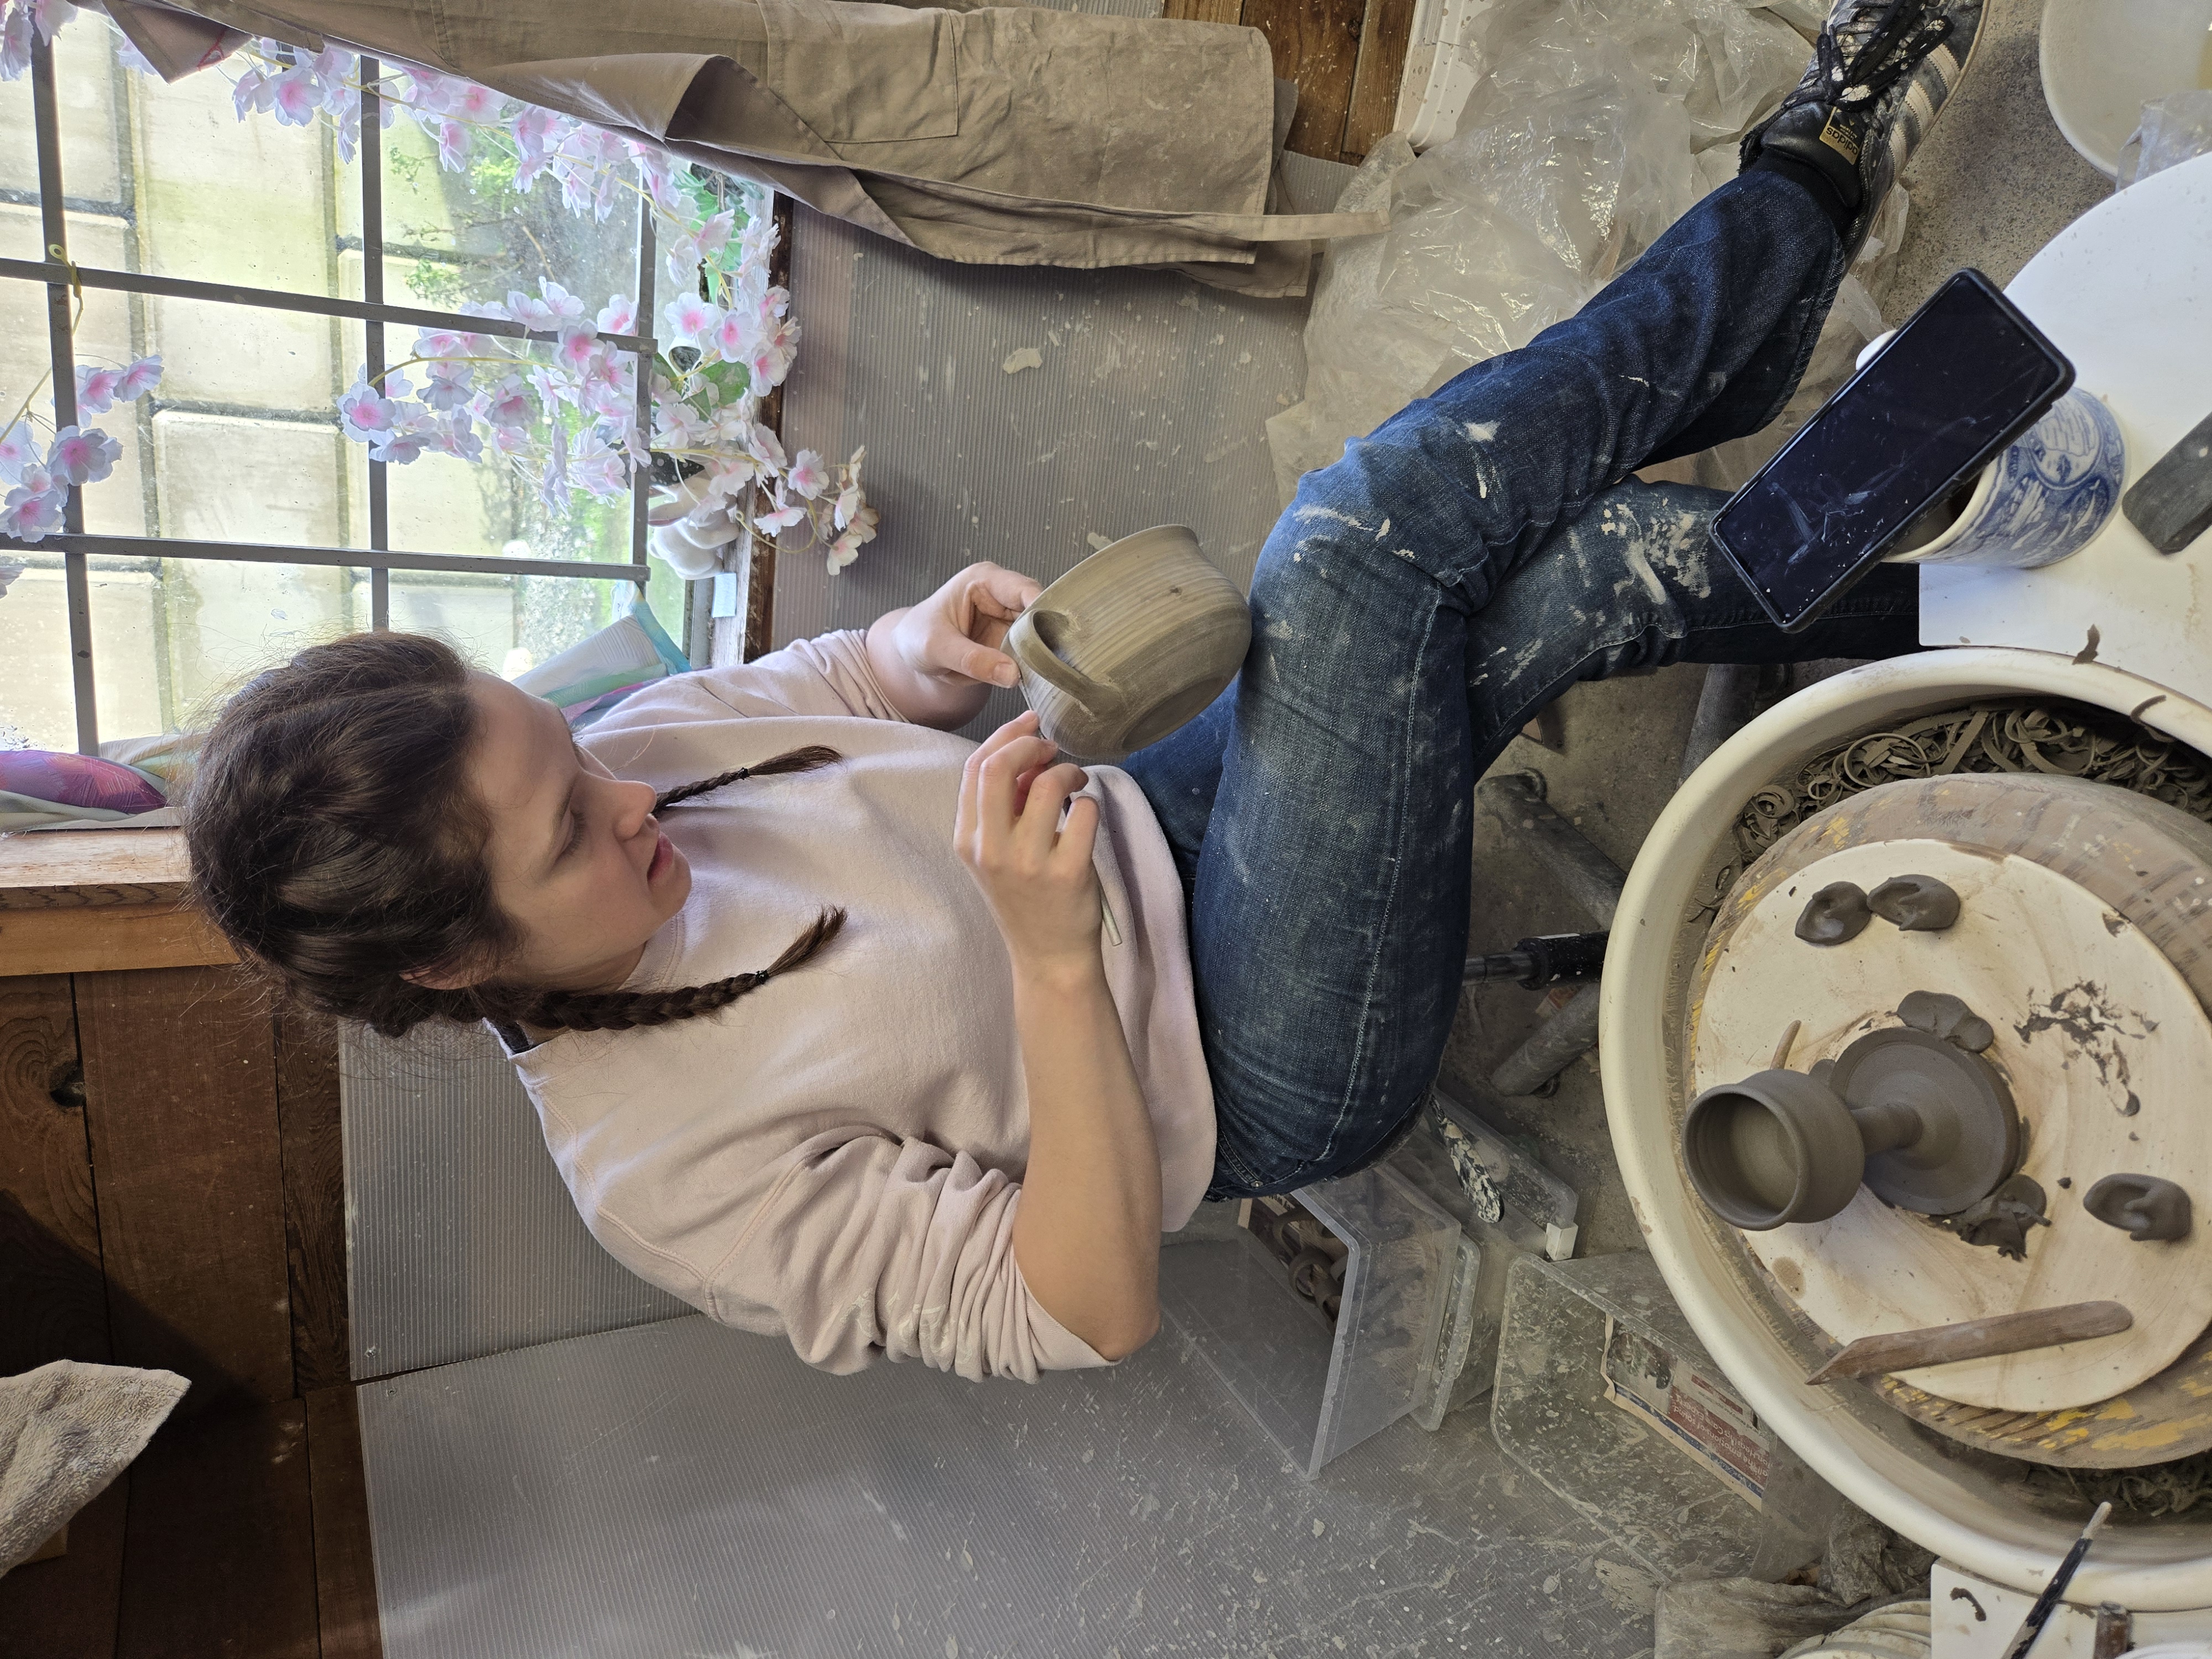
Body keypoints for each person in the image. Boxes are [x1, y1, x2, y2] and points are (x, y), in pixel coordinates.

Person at [184, 0, 1981, 1380]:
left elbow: (811, 687)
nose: (634, 794)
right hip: (1244, 1058)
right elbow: (1086, 1302)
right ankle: (1810, 183)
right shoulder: (669, 1183)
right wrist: (1051, 966)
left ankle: (1939, 581)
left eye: (576, 750)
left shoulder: (623, 766)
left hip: (1153, 824)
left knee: (1567, 577)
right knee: (1358, 543)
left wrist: (915, 653)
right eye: (570, 835)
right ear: (452, 959)